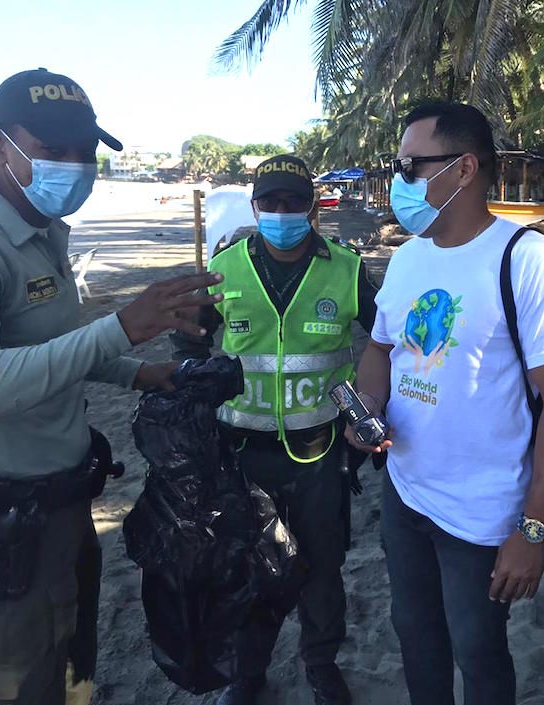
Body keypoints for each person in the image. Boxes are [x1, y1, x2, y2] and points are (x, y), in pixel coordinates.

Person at [0, 68, 222, 705]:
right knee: (9, 688)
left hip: (64, 507)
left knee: (72, 676)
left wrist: (140, 371)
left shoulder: (44, 233)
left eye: (85, 154)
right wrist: (120, 332)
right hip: (1, 527)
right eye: (54, 152)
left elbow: (43, 349)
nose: (74, 168)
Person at [347, 102, 544, 705]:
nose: (398, 178)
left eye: (409, 165)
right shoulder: (407, 258)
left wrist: (533, 528)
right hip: (405, 492)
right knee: (415, 634)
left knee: (478, 650)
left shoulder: (529, 261)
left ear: (462, 169)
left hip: (484, 512)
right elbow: (380, 349)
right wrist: (367, 409)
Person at [171, 154, 379, 705]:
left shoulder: (348, 268)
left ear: (311, 207)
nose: (282, 212)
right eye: (271, 203)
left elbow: (385, 344)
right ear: (255, 207)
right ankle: (247, 673)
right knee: (247, 568)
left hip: (322, 454)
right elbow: (190, 338)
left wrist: (372, 411)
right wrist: (195, 382)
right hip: (242, 453)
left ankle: (320, 663)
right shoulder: (225, 268)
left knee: (322, 568)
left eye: (294, 202)